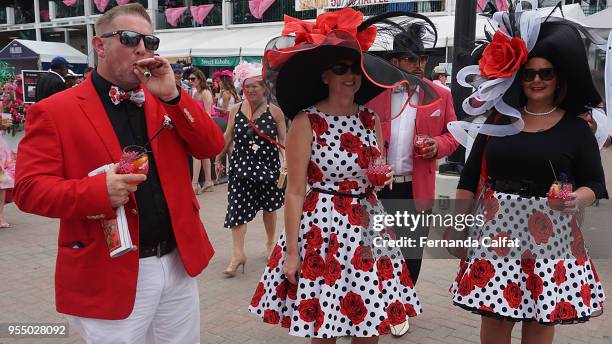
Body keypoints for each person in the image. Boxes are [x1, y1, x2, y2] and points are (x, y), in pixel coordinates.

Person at [14, 4, 224, 343]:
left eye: (150, 41)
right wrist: (97, 192)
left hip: (177, 261)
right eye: (129, 38)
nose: (142, 49)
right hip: (109, 270)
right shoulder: (55, 111)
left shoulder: (163, 98)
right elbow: (28, 189)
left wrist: (173, 95)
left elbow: (211, 147)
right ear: (100, 46)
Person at [247, 8, 438, 342]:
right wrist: (292, 253)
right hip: (323, 228)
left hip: (367, 224)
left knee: (370, 325)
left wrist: (382, 176)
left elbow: (377, 169)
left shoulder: (370, 119)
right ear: (325, 76)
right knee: (326, 327)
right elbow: (294, 191)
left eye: (355, 69)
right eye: (340, 69)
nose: (350, 76)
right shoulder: (306, 122)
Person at [447, 13, 607, 344]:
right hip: (498, 230)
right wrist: (456, 226)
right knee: (495, 318)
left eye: (545, 73)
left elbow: (595, 183)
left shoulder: (576, 128)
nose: (536, 80)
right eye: (529, 73)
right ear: (518, 78)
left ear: (558, 78)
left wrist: (577, 198)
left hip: (551, 233)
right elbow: (470, 176)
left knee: (539, 320)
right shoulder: (500, 119)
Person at [366, 13, 459, 336]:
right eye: (410, 59)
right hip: (377, 188)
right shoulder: (374, 94)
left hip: (416, 188)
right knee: (375, 250)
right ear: (394, 61)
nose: (418, 65)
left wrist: (438, 145)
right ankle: (379, 304)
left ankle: (402, 306)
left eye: (422, 58)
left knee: (411, 252)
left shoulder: (441, 95)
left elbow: (454, 135)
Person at [214, 63, 287, 277]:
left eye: (256, 86)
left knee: (269, 208)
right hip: (241, 168)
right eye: (248, 86)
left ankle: (271, 243)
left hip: (268, 167)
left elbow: (283, 140)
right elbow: (227, 137)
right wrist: (218, 158)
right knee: (237, 210)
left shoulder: (275, 112)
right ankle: (238, 255)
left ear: (264, 88)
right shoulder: (236, 109)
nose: (252, 90)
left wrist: (286, 162)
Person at [188, 68, 215, 193]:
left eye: (193, 79)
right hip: (197, 125)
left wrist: (201, 127)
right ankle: (208, 181)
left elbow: (208, 113)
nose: (190, 81)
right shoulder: (195, 93)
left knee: (197, 155)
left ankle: (195, 184)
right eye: (189, 79)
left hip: (203, 126)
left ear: (199, 79)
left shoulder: (205, 92)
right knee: (203, 155)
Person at [0, 101, 16, 228]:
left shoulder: (1, 104)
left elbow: (6, 126)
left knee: (2, 183)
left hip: (1, 150)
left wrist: (5, 124)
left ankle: (0, 216)